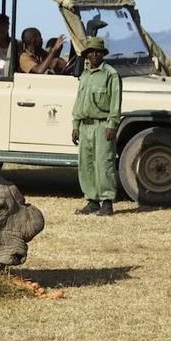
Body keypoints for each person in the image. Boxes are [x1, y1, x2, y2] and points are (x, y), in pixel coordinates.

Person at [71, 37, 122, 216]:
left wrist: (112, 124)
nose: (94, 55)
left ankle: (107, 202)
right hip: (85, 126)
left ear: (102, 54)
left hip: (102, 125)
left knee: (104, 163)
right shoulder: (84, 75)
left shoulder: (111, 74)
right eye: (90, 52)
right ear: (86, 55)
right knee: (86, 164)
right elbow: (79, 102)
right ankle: (92, 200)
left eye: (97, 51)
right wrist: (75, 125)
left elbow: (115, 102)